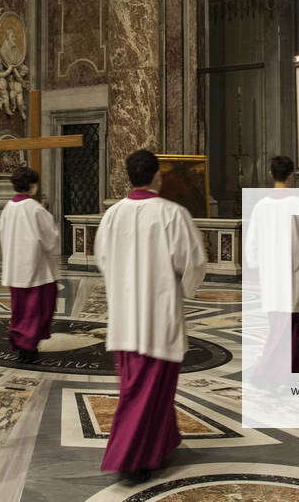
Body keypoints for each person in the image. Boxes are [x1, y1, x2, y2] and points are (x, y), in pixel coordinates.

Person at [94, 150, 206, 484]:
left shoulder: (112, 214)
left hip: (126, 316)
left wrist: (123, 282)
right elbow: (193, 263)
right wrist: (183, 289)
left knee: (141, 388)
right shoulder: (173, 214)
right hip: (159, 315)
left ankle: (162, 441)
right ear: (156, 175)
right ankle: (131, 457)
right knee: (148, 392)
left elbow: (102, 257)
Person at [245, 156, 299, 380]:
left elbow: (251, 243)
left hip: (271, 275)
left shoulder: (260, 207)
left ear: (270, 174)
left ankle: (298, 361)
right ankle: (271, 370)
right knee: (290, 323)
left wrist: (257, 266)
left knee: (280, 323)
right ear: (292, 175)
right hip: (296, 273)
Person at [0, 167, 60, 363]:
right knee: (36, 310)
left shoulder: (8, 207)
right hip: (35, 268)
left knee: (20, 309)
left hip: (15, 266)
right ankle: (28, 348)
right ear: (33, 185)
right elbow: (51, 239)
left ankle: (19, 339)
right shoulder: (35, 209)